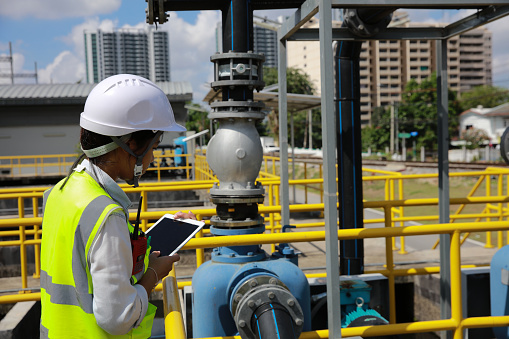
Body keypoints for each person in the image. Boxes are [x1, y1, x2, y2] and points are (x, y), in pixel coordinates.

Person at [40, 74, 196, 338]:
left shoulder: (61, 191)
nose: (154, 157)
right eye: (154, 146)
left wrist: (145, 246)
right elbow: (118, 318)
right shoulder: (105, 214)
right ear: (131, 144)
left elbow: (88, 260)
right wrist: (153, 276)